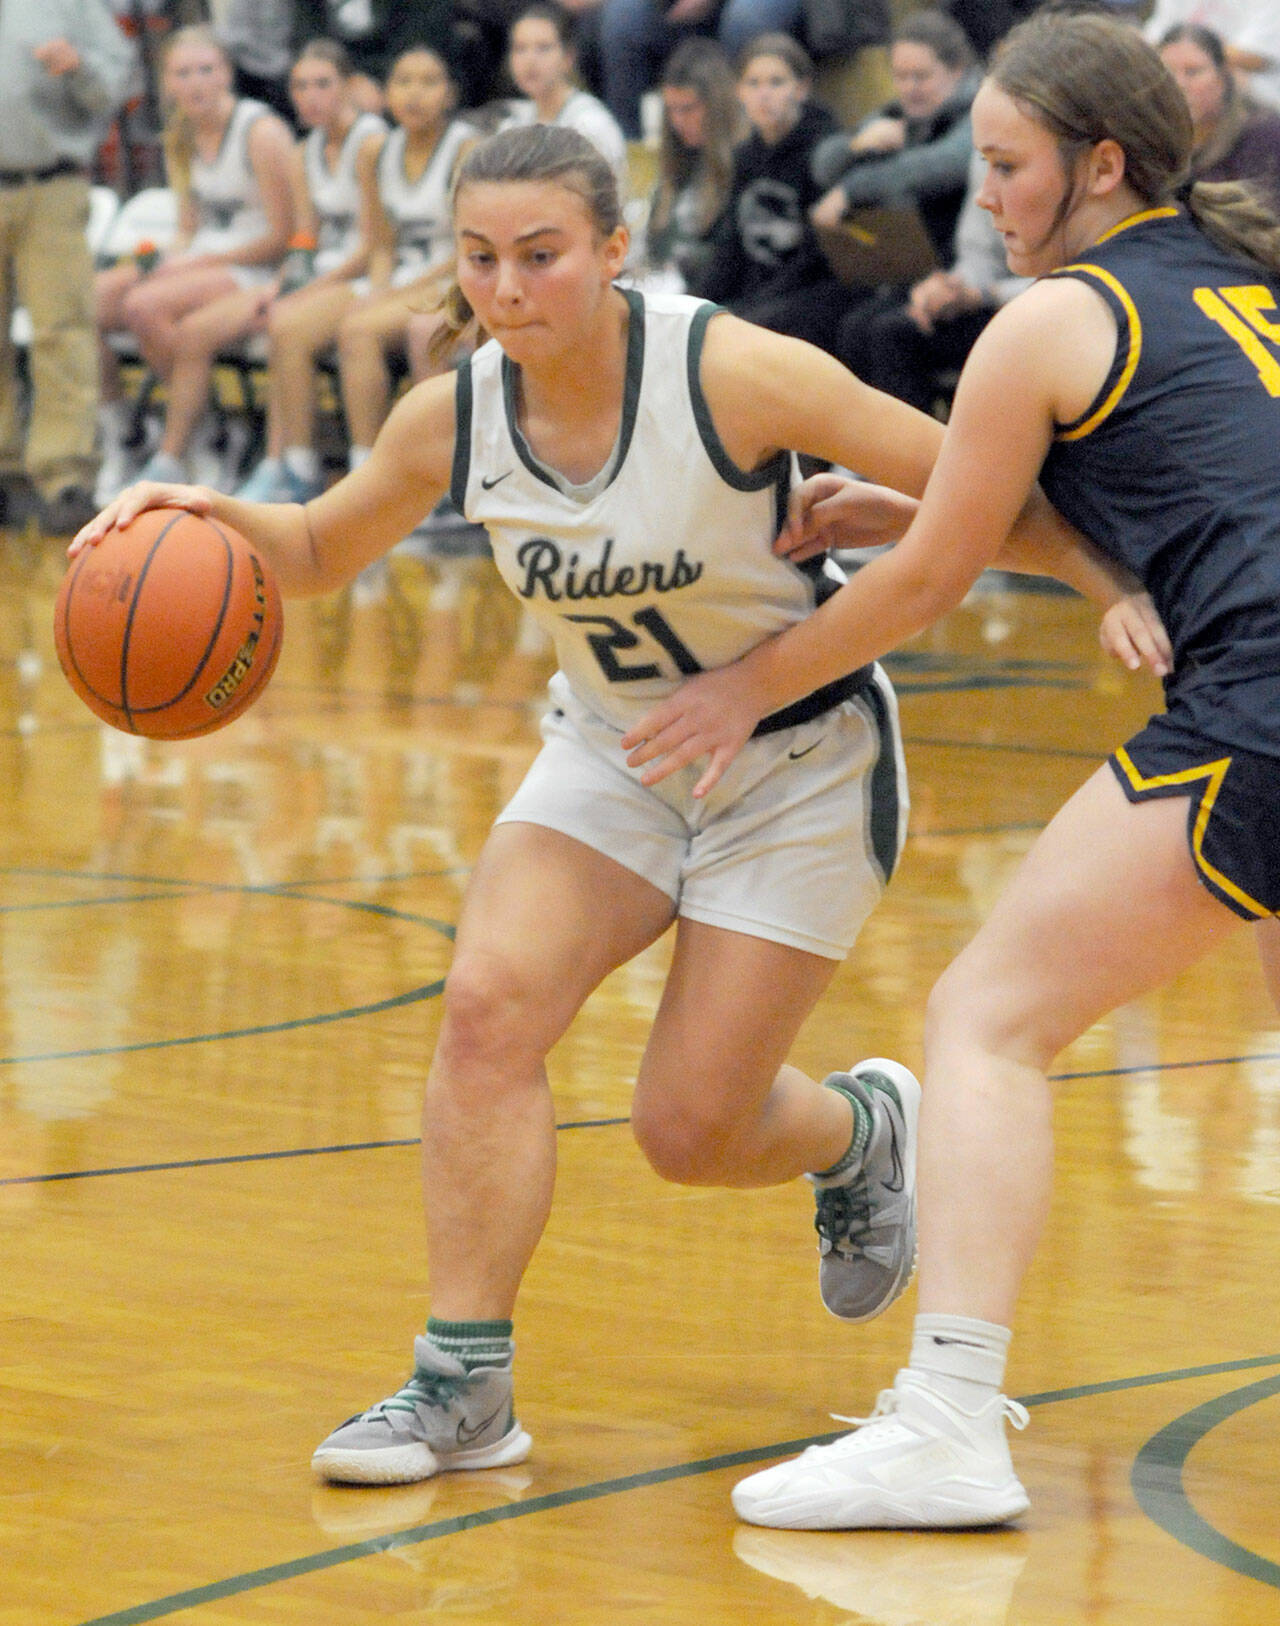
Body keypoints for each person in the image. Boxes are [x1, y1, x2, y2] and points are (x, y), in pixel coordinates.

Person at [71, 122, 1158, 1491]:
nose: (507, 288)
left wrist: (1117, 586)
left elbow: (980, 479)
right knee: (486, 1008)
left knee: (686, 1130)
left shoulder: (731, 370)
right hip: (616, 748)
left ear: (613, 250)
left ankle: (861, 1132)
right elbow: (315, 548)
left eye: (540, 255)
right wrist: (195, 512)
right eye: (479, 259)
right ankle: (462, 1385)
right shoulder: (454, 414)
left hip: (797, 758)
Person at [618, 10, 1280, 1529]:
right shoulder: (1238, 280)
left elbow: (927, 586)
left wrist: (745, 687)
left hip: (1256, 706)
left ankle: (949, 1420)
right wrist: (918, 513)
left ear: (1098, 165)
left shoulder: (1047, 323)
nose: (983, 194)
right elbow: (1175, 494)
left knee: (984, 1019)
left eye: (1006, 164)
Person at [94, 26, 295, 492]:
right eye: (182, 73)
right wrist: (163, 260)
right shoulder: (180, 133)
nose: (195, 82)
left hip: (257, 265)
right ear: (166, 82)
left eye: (206, 70)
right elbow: (189, 228)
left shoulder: (261, 132)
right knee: (93, 301)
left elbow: (284, 237)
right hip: (207, 258)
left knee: (145, 305)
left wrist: (192, 265)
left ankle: (205, 438)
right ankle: (125, 434)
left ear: (227, 74)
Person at [232, 40, 387, 504]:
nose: (310, 96)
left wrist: (308, 291)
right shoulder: (304, 151)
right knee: (278, 316)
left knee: (288, 325)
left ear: (350, 86)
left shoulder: (371, 143)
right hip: (328, 276)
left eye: (322, 84)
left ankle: (315, 466)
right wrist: (283, 284)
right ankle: (291, 464)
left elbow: (373, 245)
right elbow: (305, 237)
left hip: (369, 275)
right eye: (300, 86)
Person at [0, 0, 134, 534]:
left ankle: (66, 476)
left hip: (50, 184)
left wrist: (79, 68)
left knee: (63, 330)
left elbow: (116, 84)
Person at [692, 34, 853, 353]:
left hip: (816, 291)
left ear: (801, 89)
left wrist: (748, 308)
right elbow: (732, 247)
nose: (764, 95)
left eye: (776, 82)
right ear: (739, 92)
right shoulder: (745, 156)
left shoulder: (823, 150)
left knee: (743, 330)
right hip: (761, 290)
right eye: (753, 84)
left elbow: (816, 256)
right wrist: (692, 303)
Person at [844, 149, 1030, 414]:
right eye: (985, 162)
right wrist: (949, 288)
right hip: (989, 294)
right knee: (863, 326)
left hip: (1040, 307)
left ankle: (918, 438)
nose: (984, 193)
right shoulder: (987, 149)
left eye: (1005, 168)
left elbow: (1072, 279)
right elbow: (979, 252)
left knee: (893, 333)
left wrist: (985, 294)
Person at [638, 37, 741, 292]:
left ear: (716, 106)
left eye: (688, 109)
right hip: (665, 287)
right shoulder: (676, 163)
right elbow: (654, 245)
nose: (678, 121)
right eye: (671, 110)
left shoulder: (744, 163)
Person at [502, 2, 628, 193]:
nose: (530, 60)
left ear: (568, 56)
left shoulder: (591, 125)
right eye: (520, 48)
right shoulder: (512, 122)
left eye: (543, 48)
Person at [1160, 22, 1280, 206]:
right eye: (1167, 73)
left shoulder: (1264, 136)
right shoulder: (1148, 139)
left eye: (1193, 72)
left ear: (1222, 76)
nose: (1179, 84)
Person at [1144, 0, 1280, 114]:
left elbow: (1256, 55)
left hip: (1256, 99)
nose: (1181, 84)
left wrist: (1191, 50)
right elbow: (1151, 43)